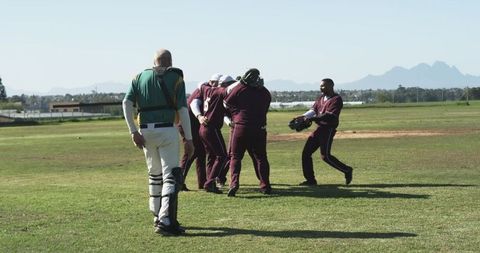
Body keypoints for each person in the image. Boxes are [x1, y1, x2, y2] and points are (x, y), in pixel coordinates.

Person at [122, 49, 194, 236]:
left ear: (154, 61)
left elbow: (126, 103)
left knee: (154, 175)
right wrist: (189, 138)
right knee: (171, 175)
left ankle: (156, 214)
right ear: (170, 62)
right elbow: (183, 110)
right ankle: (166, 220)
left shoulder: (139, 77)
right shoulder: (176, 78)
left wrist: (133, 131)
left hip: (145, 131)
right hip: (167, 130)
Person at [294, 78, 353, 186]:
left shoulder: (336, 99)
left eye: (324, 86)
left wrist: (312, 119)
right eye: (321, 86)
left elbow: (328, 115)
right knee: (306, 153)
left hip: (328, 129)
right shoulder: (321, 98)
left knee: (325, 156)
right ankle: (311, 180)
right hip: (319, 129)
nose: (321, 88)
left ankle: (347, 170)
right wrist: (303, 116)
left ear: (331, 86)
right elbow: (313, 110)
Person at [223, 68, 272, 197]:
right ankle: (265, 185)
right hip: (260, 127)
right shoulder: (265, 92)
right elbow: (266, 105)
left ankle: (234, 183)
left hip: (241, 126)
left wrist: (235, 114)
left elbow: (227, 102)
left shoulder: (240, 89)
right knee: (261, 157)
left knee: (236, 157)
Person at [190, 74, 229, 194]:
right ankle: (209, 182)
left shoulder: (207, 89)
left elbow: (200, 84)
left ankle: (209, 181)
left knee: (212, 156)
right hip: (211, 128)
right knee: (222, 156)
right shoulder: (220, 91)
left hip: (204, 127)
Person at [178, 86, 207, 191]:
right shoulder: (200, 93)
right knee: (190, 153)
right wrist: (199, 116)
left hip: (191, 126)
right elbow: (194, 104)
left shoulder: (200, 91)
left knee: (201, 153)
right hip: (188, 126)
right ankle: (179, 182)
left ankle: (203, 183)